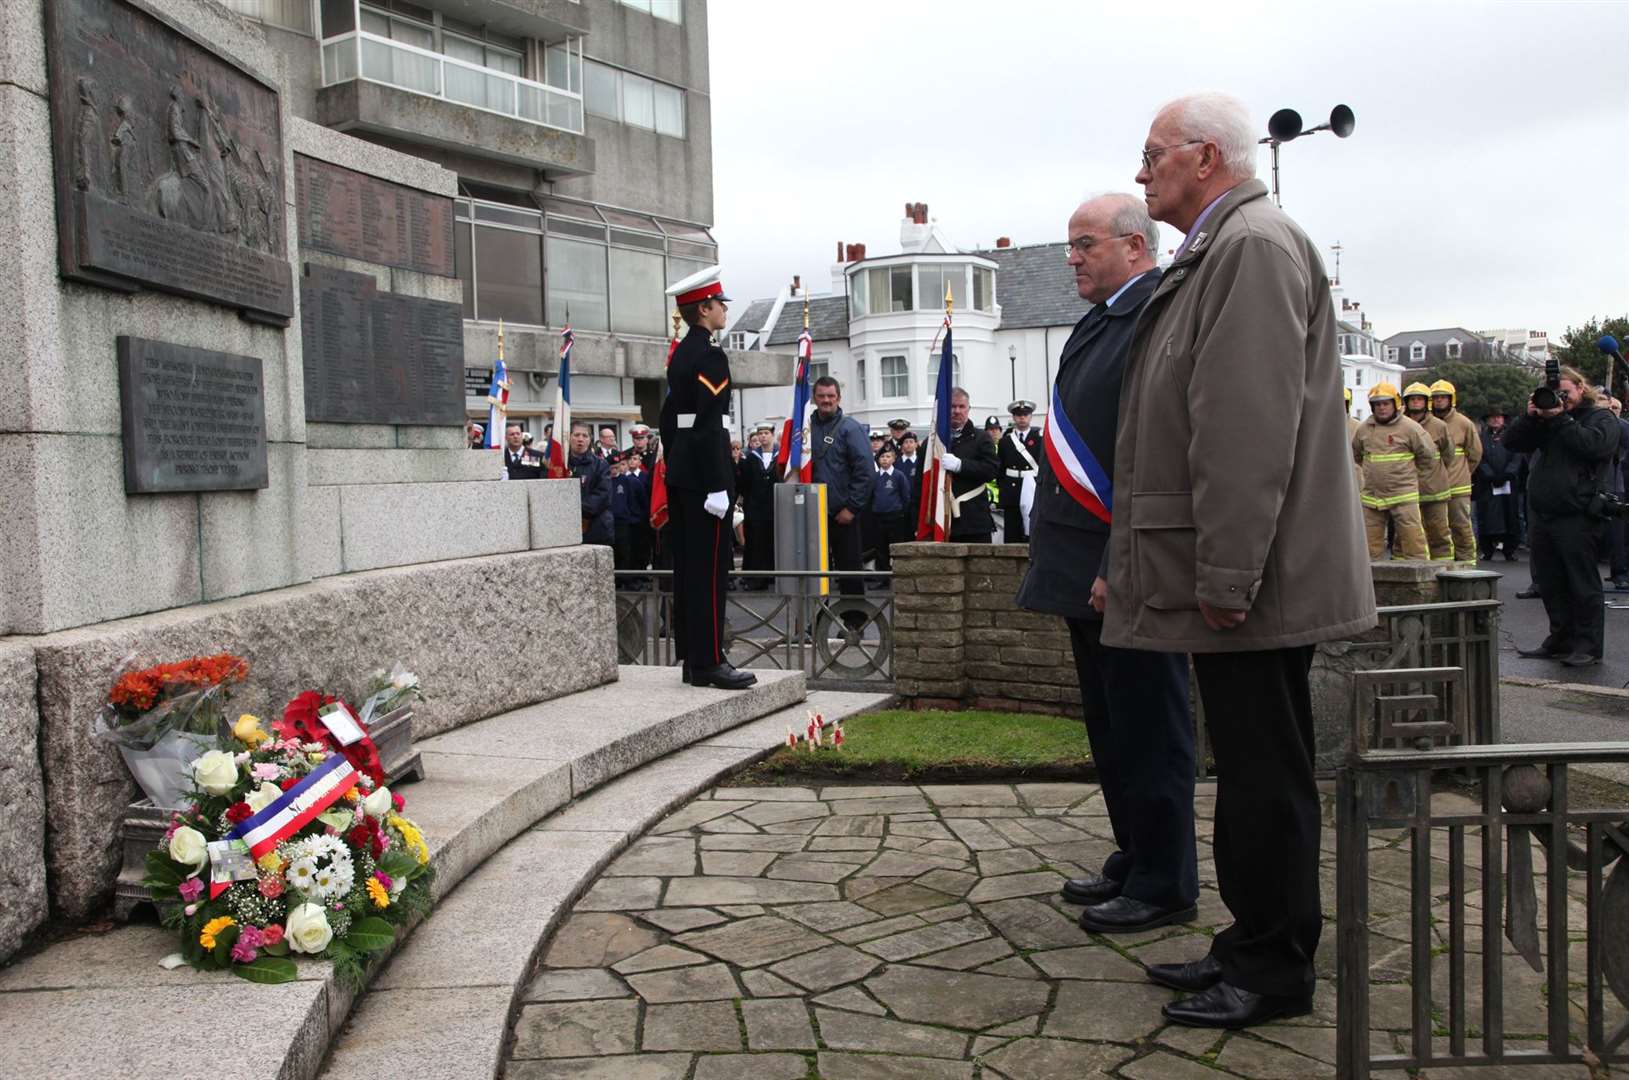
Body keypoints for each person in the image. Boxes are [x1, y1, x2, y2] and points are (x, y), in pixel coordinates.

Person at [1108, 92, 1376, 1029]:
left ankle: (1271, 967)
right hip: (1245, 574)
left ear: (1207, 159)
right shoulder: (1224, 249)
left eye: (1153, 154)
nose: (1141, 173)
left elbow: (1242, 431)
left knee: (1265, 780)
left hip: (1255, 582)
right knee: (1252, 773)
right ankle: (1249, 939)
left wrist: (1225, 575)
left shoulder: (1251, 249)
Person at [1015, 192, 1198, 938]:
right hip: (1078, 555)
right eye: (1070, 245)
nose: (1072, 258)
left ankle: (1166, 879)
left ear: (1132, 244)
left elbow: (1151, 447)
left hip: (1119, 563)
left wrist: (1122, 557)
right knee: (1110, 722)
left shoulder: (1151, 317)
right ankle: (1136, 852)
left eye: (1084, 244)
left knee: (1148, 723)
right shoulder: (1103, 321)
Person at [659, 266, 756, 690]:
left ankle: (694, 659)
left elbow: (670, 420)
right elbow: (709, 424)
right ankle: (711, 660)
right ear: (704, 308)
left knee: (688, 569)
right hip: (704, 482)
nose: (724, 311)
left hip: (682, 475)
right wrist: (718, 483)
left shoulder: (680, 353)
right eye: (720, 304)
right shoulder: (710, 355)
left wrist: (679, 463)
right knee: (710, 572)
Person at [1504, 367, 1621, 666]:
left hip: (1578, 513)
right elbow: (1511, 443)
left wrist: (1560, 418)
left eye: (1566, 393)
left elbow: (1592, 446)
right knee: (1550, 581)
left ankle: (1588, 645)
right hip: (1544, 512)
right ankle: (1561, 637)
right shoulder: (1545, 420)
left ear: (1581, 389)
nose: (1560, 399)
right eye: (1556, 394)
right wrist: (1530, 416)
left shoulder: (1601, 418)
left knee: (1582, 583)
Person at [809, 376, 874, 619]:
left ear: (838, 398)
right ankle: (814, 623)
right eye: (821, 396)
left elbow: (865, 472)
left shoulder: (851, 428)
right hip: (811, 514)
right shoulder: (804, 427)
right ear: (814, 398)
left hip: (842, 515)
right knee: (813, 574)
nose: (826, 401)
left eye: (831, 396)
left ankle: (854, 624)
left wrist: (852, 508)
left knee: (849, 574)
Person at [1353, 383, 1436, 560]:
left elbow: (1428, 456)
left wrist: (1410, 479)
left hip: (1403, 496)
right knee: (1369, 548)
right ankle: (1373, 585)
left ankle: (1421, 584)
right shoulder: (1364, 429)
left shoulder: (1410, 428)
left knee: (1414, 544)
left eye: (1385, 403)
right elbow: (1356, 455)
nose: (1381, 408)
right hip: (1372, 498)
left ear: (1395, 404)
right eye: (1377, 404)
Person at [1431, 380, 1483, 561]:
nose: (1439, 401)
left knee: (1461, 527)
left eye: (1443, 397)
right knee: (1438, 529)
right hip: (1434, 488)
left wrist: (1463, 473)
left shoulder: (1464, 423)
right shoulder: (1425, 423)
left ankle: (1467, 565)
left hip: (1457, 487)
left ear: (1451, 399)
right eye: (1435, 398)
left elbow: (1475, 453)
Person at [1402, 382, 1455, 560]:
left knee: (1439, 534)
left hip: (1434, 490)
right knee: (1405, 538)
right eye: (1412, 399)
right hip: (1406, 492)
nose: (1416, 403)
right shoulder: (1399, 425)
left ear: (1427, 402)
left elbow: (1448, 454)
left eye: (1419, 399)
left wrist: (1436, 472)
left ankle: (1444, 573)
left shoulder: (1439, 426)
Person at [941, 390, 1000, 542]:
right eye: (953, 406)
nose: (957, 411)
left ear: (968, 409)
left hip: (974, 521)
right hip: (942, 520)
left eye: (961, 406)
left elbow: (991, 470)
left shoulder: (981, 438)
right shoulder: (934, 442)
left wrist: (961, 465)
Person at [1473, 406, 1521, 561]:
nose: (1496, 419)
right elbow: (1479, 457)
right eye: (1492, 417)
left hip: (1508, 484)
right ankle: (1487, 550)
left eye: (1499, 417)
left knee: (1511, 516)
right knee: (1486, 516)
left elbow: (1517, 456)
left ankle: (1510, 550)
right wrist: (1490, 475)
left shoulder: (1512, 436)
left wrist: (1508, 473)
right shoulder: (1481, 437)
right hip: (1487, 485)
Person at [996, 400, 1044, 544]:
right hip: (1012, 489)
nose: (1022, 418)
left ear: (1030, 416)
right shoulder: (1005, 441)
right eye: (1018, 415)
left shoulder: (1040, 440)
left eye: (1025, 414)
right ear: (1013, 417)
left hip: (1032, 487)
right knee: (1012, 531)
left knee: (1033, 530)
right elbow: (1000, 469)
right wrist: (1003, 489)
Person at [736, 425, 777, 589]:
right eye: (760, 434)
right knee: (756, 543)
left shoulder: (779, 456)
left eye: (766, 433)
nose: (763, 437)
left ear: (772, 435)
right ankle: (757, 578)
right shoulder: (751, 458)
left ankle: (774, 575)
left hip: (774, 507)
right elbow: (744, 484)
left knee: (773, 542)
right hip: (756, 508)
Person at [567, 423, 613, 546]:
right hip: (565, 526)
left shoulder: (601, 465)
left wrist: (578, 510)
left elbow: (603, 494)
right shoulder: (560, 464)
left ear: (590, 439)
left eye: (585, 436)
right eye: (576, 435)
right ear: (569, 437)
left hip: (595, 527)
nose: (580, 439)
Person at [1602, 391, 1629, 590]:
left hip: (1614, 485)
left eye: (1612, 407)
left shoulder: (1621, 426)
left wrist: (1609, 417)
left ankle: (1619, 573)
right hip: (1586, 487)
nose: (1608, 409)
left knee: (1617, 534)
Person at [870, 446, 910, 579]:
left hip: (895, 517)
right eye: (882, 457)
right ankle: (883, 579)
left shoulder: (898, 475)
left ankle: (900, 577)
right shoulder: (874, 477)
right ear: (878, 459)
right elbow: (871, 496)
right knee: (880, 549)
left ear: (893, 459)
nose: (885, 460)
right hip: (878, 517)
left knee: (897, 548)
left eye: (888, 457)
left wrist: (902, 513)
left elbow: (905, 497)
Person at [611, 452, 652, 579]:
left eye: (621, 465)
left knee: (633, 551)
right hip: (615, 522)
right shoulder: (607, 481)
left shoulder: (632, 481)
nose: (618, 469)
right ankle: (621, 580)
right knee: (619, 552)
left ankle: (633, 578)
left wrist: (636, 517)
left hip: (633, 520)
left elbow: (642, 502)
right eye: (614, 467)